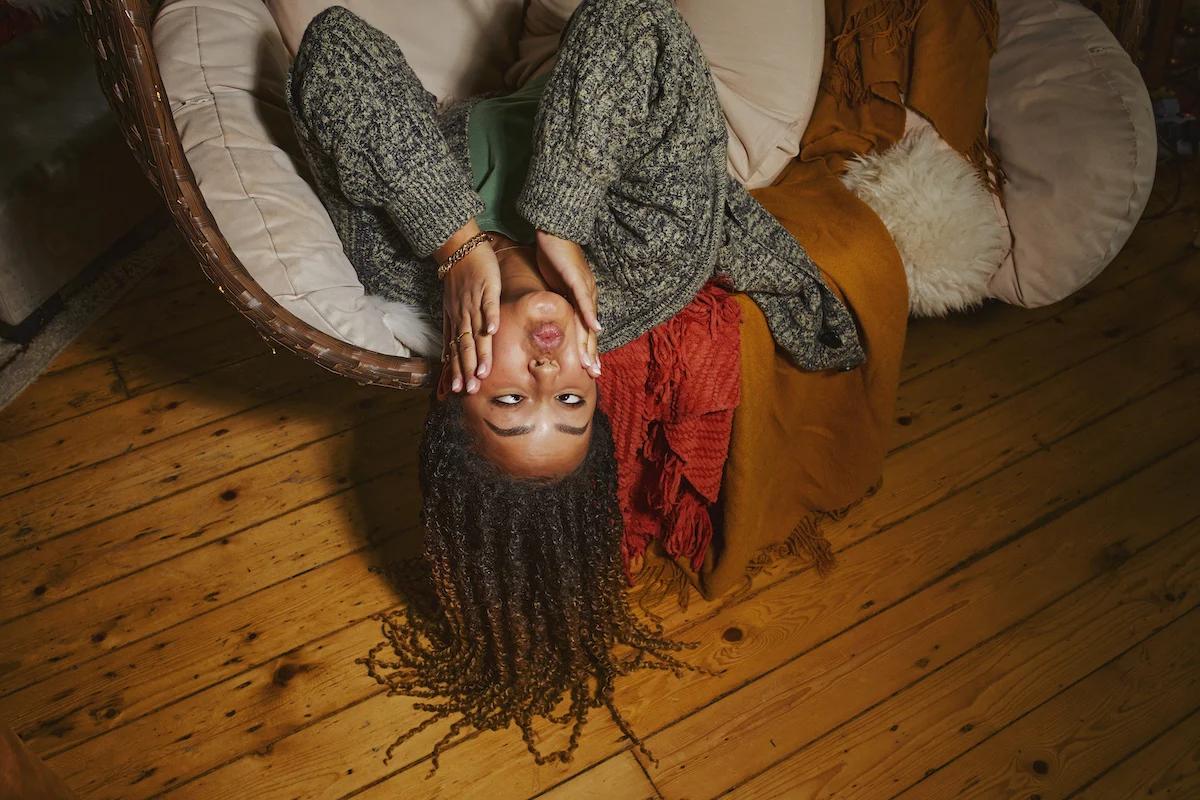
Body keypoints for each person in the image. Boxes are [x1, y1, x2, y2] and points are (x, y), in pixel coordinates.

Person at [286, 0, 863, 770]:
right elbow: (634, 19)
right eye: (571, 403)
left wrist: (456, 242)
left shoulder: (395, 266)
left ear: (454, 385)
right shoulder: (650, 257)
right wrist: (565, 219)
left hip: (542, 69)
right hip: (683, 106)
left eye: (512, 400)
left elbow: (332, 46)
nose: (550, 371)